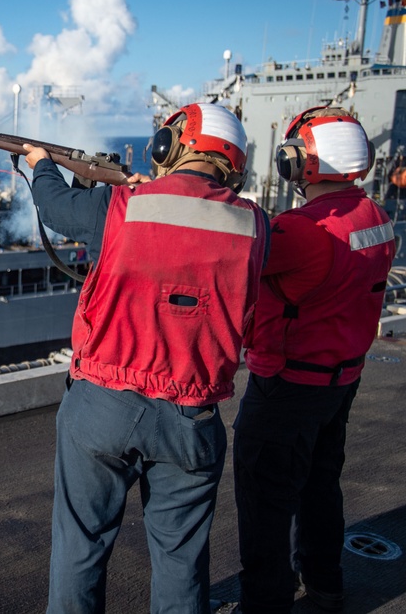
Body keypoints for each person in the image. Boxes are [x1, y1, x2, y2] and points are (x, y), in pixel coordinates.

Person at [24, 103, 269, 614]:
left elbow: (53, 205)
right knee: (182, 561)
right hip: (193, 417)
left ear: (169, 146)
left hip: (103, 407)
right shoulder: (257, 227)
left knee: (80, 546)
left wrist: (41, 163)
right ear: (236, 164)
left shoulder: (120, 205)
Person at [233, 107, 395, 613]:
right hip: (341, 378)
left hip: (287, 384)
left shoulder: (301, 230)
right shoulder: (378, 218)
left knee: (264, 499)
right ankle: (325, 584)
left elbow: (234, 258)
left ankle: (266, 602)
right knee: (321, 485)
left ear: (299, 162)